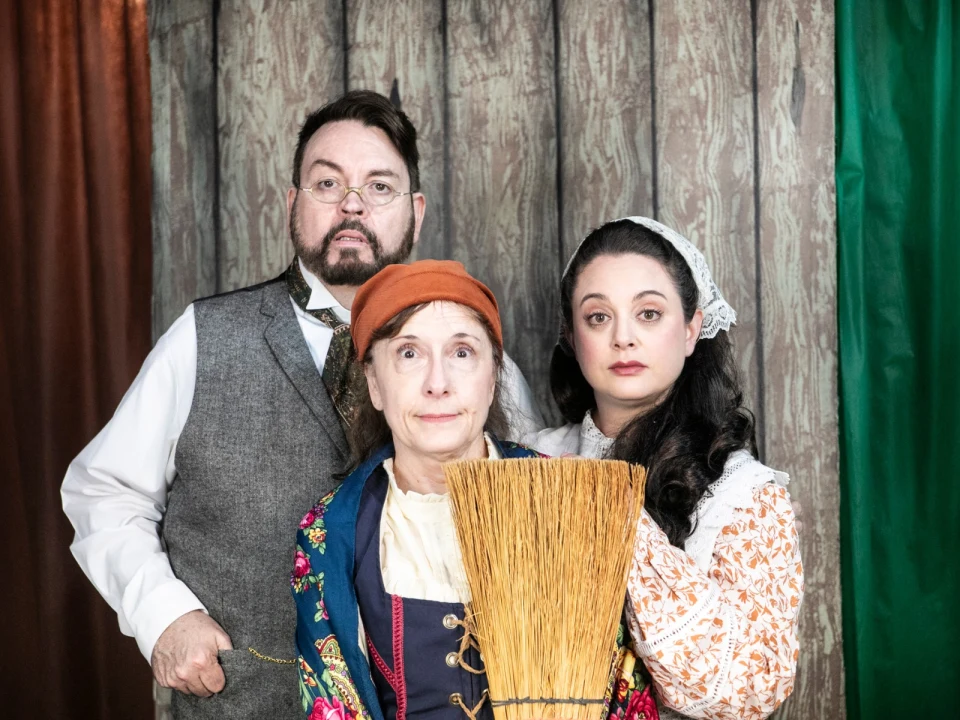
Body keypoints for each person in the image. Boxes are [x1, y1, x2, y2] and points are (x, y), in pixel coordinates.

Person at [61, 91, 541, 720]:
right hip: (246, 701)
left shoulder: (476, 360)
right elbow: (104, 491)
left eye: (378, 185)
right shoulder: (203, 337)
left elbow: (537, 501)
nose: (351, 204)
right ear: (292, 204)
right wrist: (163, 614)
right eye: (326, 182)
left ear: (415, 212)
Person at [291, 260, 650, 720]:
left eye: (462, 353)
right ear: (375, 384)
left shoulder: (566, 498)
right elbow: (332, 705)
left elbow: (623, 692)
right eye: (408, 354)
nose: (437, 384)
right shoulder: (330, 534)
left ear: (493, 376)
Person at [524, 217, 803, 720]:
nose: (623, 338)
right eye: (598, 317)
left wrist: (614, 513)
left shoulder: (744, 495)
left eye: (649, 313)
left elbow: (746, 689)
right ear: (570, 334)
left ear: (693, 329)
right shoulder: (528, 458)